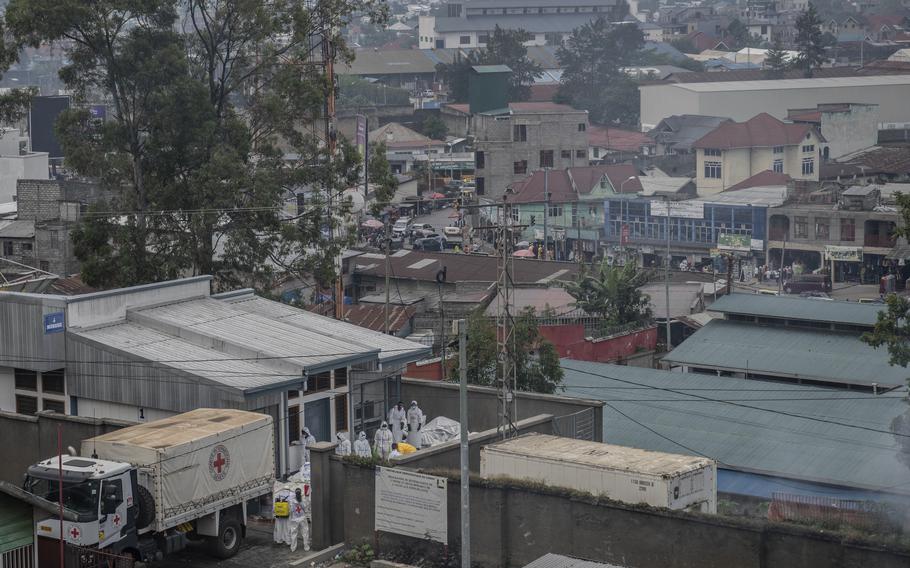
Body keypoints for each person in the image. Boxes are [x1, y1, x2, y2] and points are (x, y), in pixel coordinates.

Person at [288, 487, 310, 552]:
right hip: (302, 518)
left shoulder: (291, 500)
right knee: (305, 532)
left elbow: (290, 510)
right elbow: (306, 508)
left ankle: (293, 548)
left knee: (293, 534)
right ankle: (306, 547)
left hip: (294, 519)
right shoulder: (302, 500)